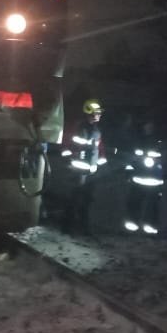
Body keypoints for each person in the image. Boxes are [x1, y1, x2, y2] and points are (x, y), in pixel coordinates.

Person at [61, 99, 106, 234]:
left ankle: (83, 226)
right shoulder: (78, 126)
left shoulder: (97, 130)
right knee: (74, 198)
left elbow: (99, 146)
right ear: (89, 113)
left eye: (99, 112)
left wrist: (102, 159)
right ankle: (67, 226)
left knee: (86, 199)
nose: (99, 115)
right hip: (78, 168)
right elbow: (67, 142)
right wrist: (68, 156)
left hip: (91, 170)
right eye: (97, 112)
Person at [122, 120, 166, 235]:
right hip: (138, 179)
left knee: (152, 206)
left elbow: (165, 162)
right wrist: (128, 174)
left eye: (151, 125)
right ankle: (132, 227)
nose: (148, 128)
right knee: (134, 203)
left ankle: (150, 229)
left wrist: (163, 178)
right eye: (147, 125)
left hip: (154, 181)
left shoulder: (160, 143)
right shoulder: (138, 142)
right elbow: (131, 160)